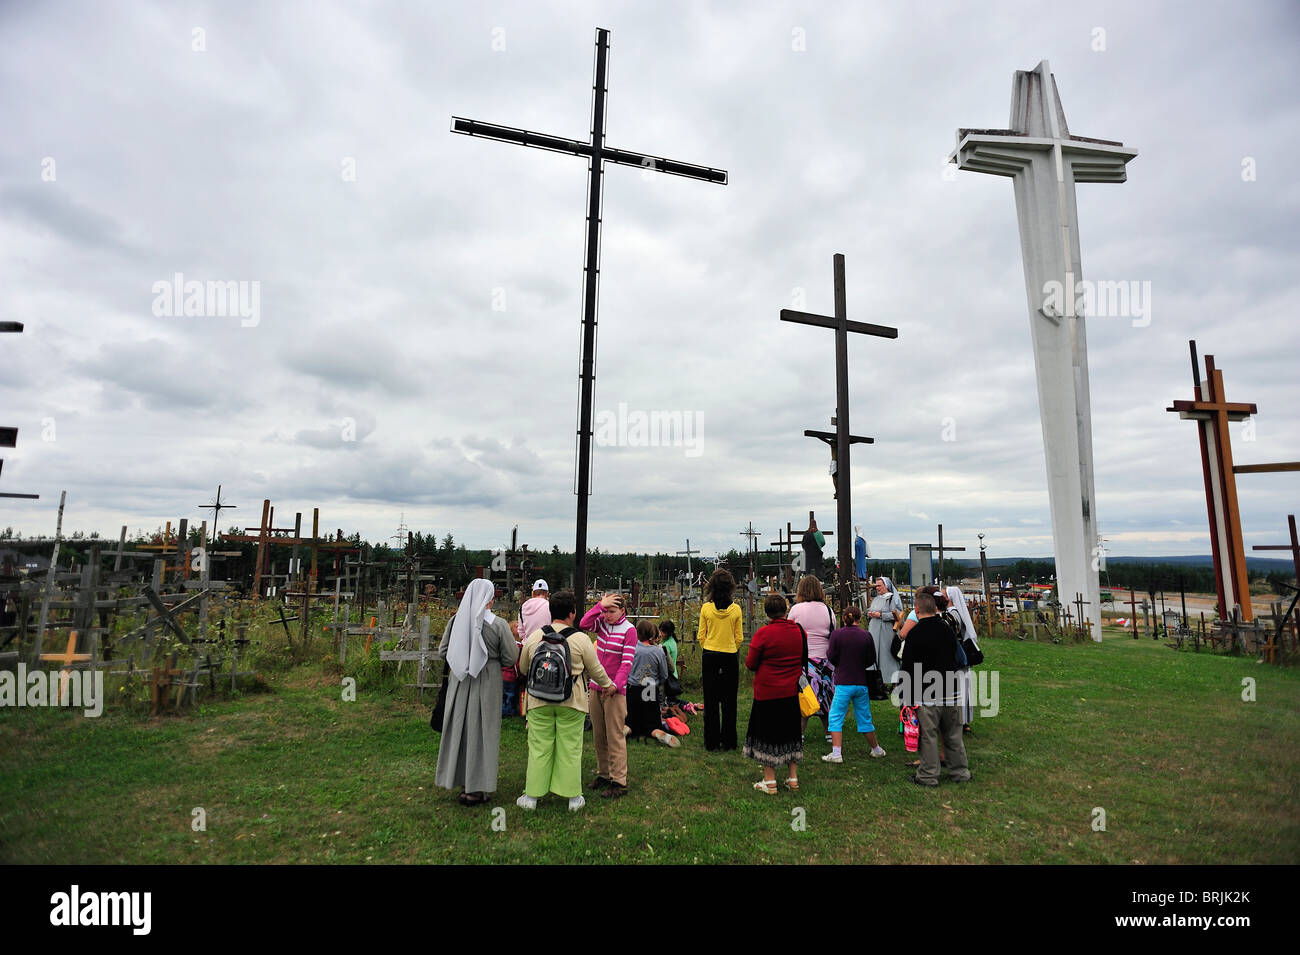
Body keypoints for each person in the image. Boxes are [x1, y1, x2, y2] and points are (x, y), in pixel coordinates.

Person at [516, 589, 615, 811]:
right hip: (572, 701)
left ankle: (532, 796)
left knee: (539, 747)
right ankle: (572, 798)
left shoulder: (535, 637)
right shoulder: (580, 639)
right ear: (573, 613)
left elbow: (523, 668)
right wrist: (608, 686)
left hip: (538, 701)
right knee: (570, 748)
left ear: (551, 612)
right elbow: (596, 670)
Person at [435, 578, 519, 807]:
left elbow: (444, 651)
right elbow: (511, 657)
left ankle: (463, 784)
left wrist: (462, 659)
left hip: (459, 681)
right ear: (490, 599)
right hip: (488, 680)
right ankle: (477, 788)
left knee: (460, 730)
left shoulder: (456, 621)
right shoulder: (498, 624)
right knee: (483, 731)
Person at [899, 590, 972, 787]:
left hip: (926, 693)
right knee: (953, 735)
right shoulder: (947, 630)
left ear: (917, 610)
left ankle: (928, 775)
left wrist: (905, 692)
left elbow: (907, 665)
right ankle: (960, 772)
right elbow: (958, 657)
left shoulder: (914, 634)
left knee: (929, 736)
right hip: (951, 689)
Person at [744, 594, 807, 793]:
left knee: (767, 735)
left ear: (767, 612)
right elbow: (804, 657)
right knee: (791, 733)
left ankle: (770, 781)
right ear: (786, 609)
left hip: (767, 692)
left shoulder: (763, 634)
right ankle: (793, 778)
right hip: (790, 692)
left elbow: (751, 664)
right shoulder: (799, 631)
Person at [579, 592, 638, 798]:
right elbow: (584, 623)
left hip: (615, 691)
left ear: (623, 611)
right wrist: (599, 606)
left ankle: (619, 780)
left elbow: (626, 662)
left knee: (615, 736)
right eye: (606, 611)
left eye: (612, 611)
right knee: (598, 735)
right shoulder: (602, 624)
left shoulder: (629, 630)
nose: (607, 615)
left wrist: (616, 685)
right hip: (596, 687)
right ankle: (603, 773)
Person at [822, 606, 887, 762]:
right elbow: (871, 658)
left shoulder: (837, 635)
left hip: (843, 681)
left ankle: (836, 753)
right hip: (861, 681)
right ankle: (876, 749)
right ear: (859, 619)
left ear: (844, 618)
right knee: (864, 717)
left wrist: (841, 664)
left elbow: (831, 656)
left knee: (836, 716)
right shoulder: (866, 635)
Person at [697, 568, 744, 751]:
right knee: (729, 700)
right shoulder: (736, 610)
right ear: (730, 587)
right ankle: (729, 741)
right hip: (730, 655)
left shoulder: (706, 608)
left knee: (710, 700)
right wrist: (730, 647)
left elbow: (701, 635)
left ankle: (712, 741)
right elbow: (738, 637)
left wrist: (709, 646)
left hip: (709, 654)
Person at [787, 575, 835, 739]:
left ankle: (799, 732)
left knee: (804, 695)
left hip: (804, 659)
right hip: (825, 659)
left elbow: (789, 631)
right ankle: (829, 732)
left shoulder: (796, 609)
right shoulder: (828, 610)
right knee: (826, 696)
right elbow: (833, 632)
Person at [626, 620, 680, 748]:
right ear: (652, 633)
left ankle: (625, 730)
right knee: (652, 722)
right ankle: (658, 733)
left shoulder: (632, 648)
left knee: (630, 720)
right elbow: (664, 675)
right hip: (650, 688)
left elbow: (626, 668)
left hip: (633, 689)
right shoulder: (658, 652)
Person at [506, 579, 553, 716]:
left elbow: (521, 631)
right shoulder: (549, 606)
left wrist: (527, 640)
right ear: (547, 593)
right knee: (546, 680)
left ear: (533, 593)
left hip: (528, 647)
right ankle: (544, 710)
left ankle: (527, 712)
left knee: (529, 680)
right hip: (546, 646)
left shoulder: (523, 606)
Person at [946, 585, 980, 732]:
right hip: (959, 656)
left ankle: (960, 720)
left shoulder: (952, 614)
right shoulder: (957, 612)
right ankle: (963, 720)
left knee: (958, 689)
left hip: (956, 656)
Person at [867, 576, 904, 687]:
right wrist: (870, 614)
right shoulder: (877, 598)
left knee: (888, 656)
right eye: (876, 585)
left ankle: (894, 682)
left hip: (886, 632)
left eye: (879, 585)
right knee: (876, 655)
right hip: (874, 631)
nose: (877, 588)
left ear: (886, 586)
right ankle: (879, 681)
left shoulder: (892, 598)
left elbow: (897, 614)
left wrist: (881, 615)